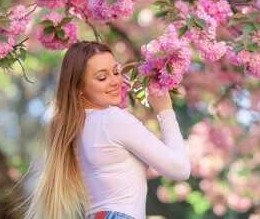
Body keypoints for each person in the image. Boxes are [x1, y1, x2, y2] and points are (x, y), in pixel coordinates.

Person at [24, 41, 190, 219]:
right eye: (102, 78)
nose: (115, 81)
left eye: (116, 72)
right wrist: (165, 112)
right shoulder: (112, 119)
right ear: (79, 87)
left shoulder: (76, 127)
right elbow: (180, 169)